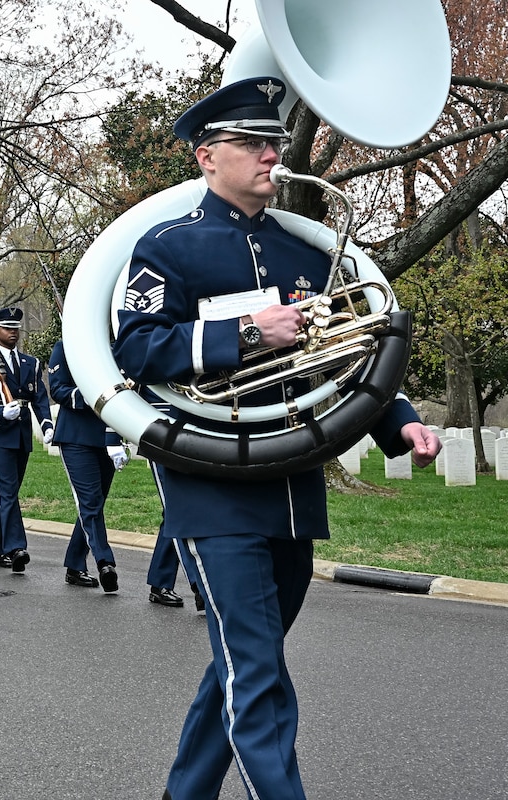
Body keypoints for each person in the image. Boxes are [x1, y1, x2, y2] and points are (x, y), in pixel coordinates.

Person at [111, 77, 442, 800]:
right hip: (211, 485)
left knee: (243, 662)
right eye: (253, 144)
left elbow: (347, 355)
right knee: (255, 670)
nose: (272, 154)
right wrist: (246, 331)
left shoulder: (301, 253)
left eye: (276, 142)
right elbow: (136, 350)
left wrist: (401, 419)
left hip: (292, 485)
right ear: (207, 157)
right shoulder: (167, 246)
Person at [0, 306, 53, 573]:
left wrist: (47, 424)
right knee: (7, 492)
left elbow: (39, 397)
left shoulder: (30, 363)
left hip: (21, 435)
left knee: (9, 494)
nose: (13, 332)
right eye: (7, 328)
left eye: (16, 328)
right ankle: (16, 547)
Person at [47, 338, 125, 591]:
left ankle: (74, 564)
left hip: (108, 435)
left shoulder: (118, 348)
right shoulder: (68, 346)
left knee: (95, 503)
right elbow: (58, 389)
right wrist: (92, 395)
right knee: (90, 501)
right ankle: (105, 562)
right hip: (76, 436)